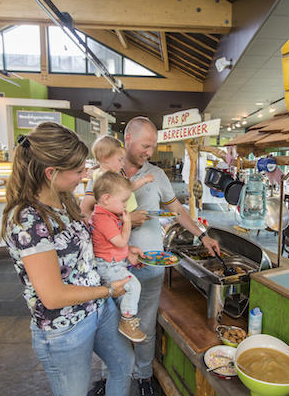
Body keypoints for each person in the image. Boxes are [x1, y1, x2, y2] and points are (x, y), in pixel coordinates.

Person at [1, 122, 140, 396]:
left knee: (124, 364)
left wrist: (123, 251)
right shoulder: (28, 220)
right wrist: (110, 290)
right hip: (64, 327)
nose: (85, 175)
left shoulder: (64, 200)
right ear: (52, 173)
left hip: (97, 309)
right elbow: (52, 296)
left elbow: (83, 245)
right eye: (78, 171)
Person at [123, 116, 220, 395]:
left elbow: (176, 210)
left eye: (153, 147)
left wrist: (202, 234)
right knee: (111, 326)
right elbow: (90, 217)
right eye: (145, 146)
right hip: (116, 266)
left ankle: (142, 376)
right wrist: (128, 218)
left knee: (146, 324)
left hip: (152, 264)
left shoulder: (158, 175)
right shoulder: (108, 173)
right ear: (128, 138)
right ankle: (113, 376)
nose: (149, 153)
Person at [89, 171, 146, 342]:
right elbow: (120, 242)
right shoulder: (103, 218)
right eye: (123, 201)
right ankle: (127, 322)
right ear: (106, 198)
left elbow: (112, 244)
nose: (126, 205)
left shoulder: (107, 215)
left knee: (128, 290)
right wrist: (128, 223)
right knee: (134, 287)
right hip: (108, 265)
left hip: (112, 263)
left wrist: (129, 251)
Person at [81, 135, 154, 219]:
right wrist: (144, 180)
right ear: (105, 159)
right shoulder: (102, 179)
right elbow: (130, 186)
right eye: (119, 160)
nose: (122, 164)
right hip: (118, 219)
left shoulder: (110, 174)